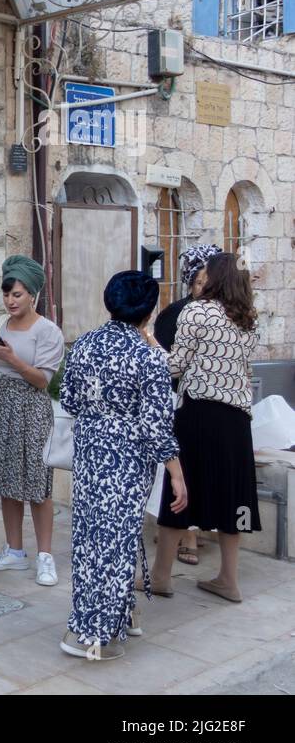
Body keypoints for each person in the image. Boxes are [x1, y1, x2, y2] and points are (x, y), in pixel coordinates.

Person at [60, 271, 187, 660]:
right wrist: (177, 472)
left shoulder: (83, 345)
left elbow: (68, 400)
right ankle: (89, 635)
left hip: (91, 453)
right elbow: (154, 425)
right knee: (115, 541)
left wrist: (100, 416)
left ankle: (120, 614)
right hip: (128, 460)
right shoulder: (148, 358)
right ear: (148, 313)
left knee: (92, 538)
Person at [150, 251, 261, 603]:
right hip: (237, 419)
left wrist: (150, 342)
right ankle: (229, 579)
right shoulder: (248, 318)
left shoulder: (195, 310)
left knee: (179, 492)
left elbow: (175, 366)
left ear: (215, 278)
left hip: (198, 414)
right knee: (236, 497)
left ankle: (160, 577)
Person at [0, 255, 66, 585]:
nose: (10, 301)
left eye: (17, 294)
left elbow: (42, 380)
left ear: (32, 295)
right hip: (1, 406)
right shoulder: (1, 323)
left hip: (31, 409)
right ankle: (14, 551)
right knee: (7, 481)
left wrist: (11, 357)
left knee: (37, 483)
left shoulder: (48, 331)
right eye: (7, 294)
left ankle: (44, 556)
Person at [152, 243, 221, 567]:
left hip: (207, 406)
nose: (204, 288)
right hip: (180, 402)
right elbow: (167, 363)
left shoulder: (227, 313)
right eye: (198, 282)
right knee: (182, 472)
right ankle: (186, 537)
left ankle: (189, 533)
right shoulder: (175, 314)